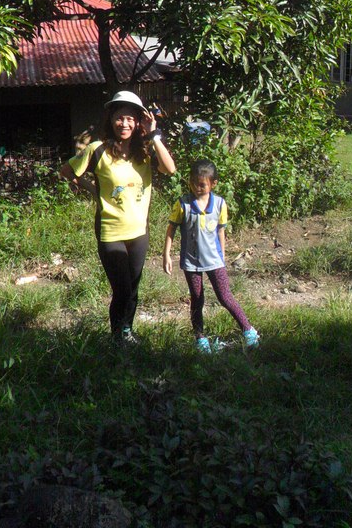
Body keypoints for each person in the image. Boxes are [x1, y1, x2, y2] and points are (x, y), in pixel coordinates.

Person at [60, 90, 177, 344]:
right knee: (122, 289)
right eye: (119, 118)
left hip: (139, 231)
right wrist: (93, 189)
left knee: (133, 288)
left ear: (138, 122)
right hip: (110, 231)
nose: (124, 124)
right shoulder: (97, 149)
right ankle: (117, 338)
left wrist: (154, 134)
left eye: (130, 119)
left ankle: (126, 332)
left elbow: (170, 169)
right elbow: (67, 171)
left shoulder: (145, 150)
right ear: (111, 119)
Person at [163, 159, 259, 352]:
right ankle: (200, 339)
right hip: (191, 262)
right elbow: (171, 229)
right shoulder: (183, 204)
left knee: (225, 296)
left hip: (215, 260)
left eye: (202, 185)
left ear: (213, 184)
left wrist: (221, 257)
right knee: (197, 299)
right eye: (193, 183)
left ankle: (248, 330)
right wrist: (166, 254)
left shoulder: (220, 204)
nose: (197, 188)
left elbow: (221, 231)